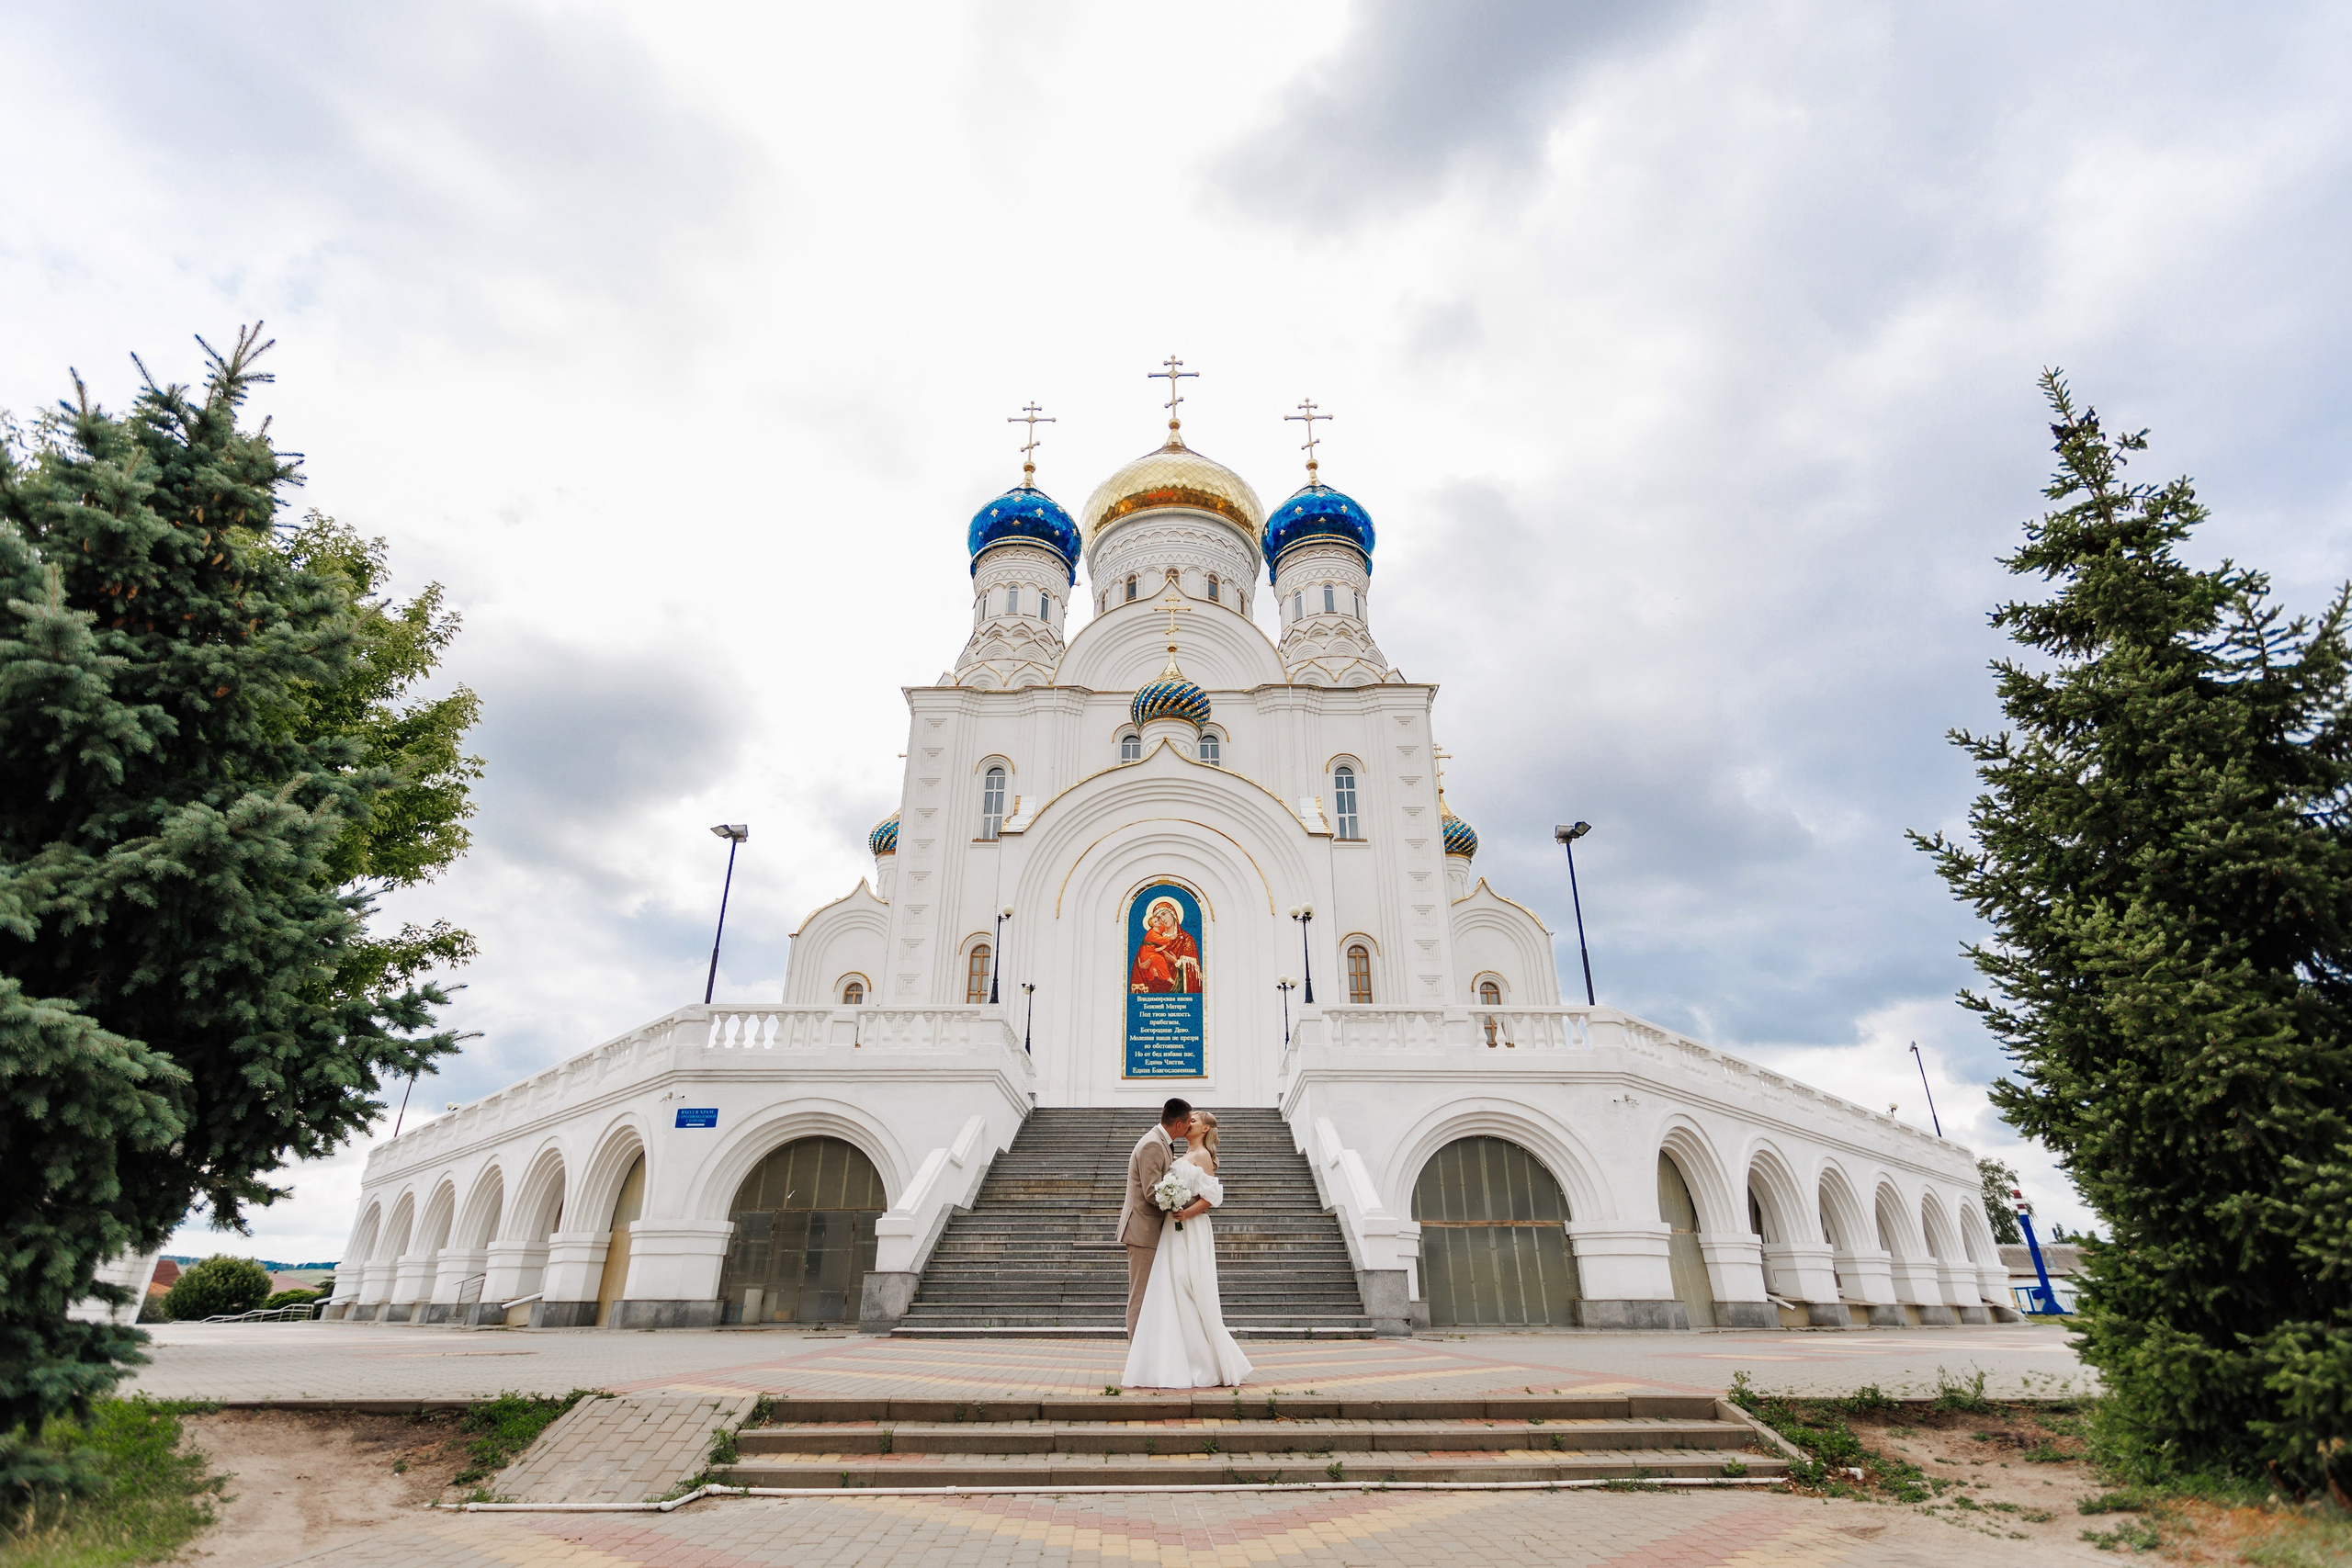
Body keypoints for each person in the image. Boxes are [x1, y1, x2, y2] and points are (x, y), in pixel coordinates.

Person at [1121, 1110, 1252, 1389]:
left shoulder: (1203, 1155)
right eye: (1188, 1119)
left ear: (1205, 1129)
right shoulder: (1173, 1151)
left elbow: (1212, 1197)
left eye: (1195, 1120)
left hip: (1188, 1228)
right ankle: (1167, 1358)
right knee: (1171, 1289)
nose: (1189, 1123)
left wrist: (1186, 1212)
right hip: (1172, 1230)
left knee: (1189, 1288)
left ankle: (1201, 1361)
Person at [1119, 1098, 1192, 1337]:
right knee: (1140, 1296)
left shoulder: (1161, 1141)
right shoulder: (1152, 1144)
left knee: (1149, 1294)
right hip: (1142, 1231)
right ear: (1179, 1125)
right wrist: (1185, 1203)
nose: (1190, 1127)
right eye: (1188, 1122)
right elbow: (1152, 1193)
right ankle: (1135, 1362)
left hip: (1150, 1230)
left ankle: (1145, 1357)